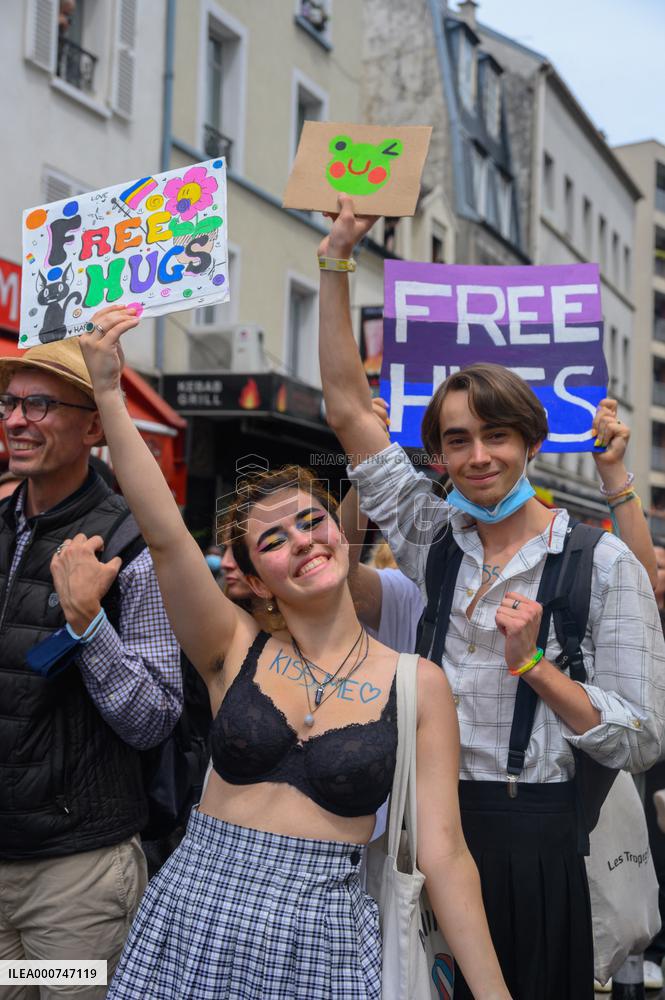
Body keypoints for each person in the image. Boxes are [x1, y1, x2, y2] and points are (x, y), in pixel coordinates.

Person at [79, 304, 511, 1000]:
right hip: (193, 920)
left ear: (340, 536)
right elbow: (162, 533)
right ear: (251, 578)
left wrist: (493, 997)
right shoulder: (230, 649)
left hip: (326, 941)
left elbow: (446, 857)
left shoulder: (416, 684)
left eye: (312, 521)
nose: (304, 539)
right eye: (274, 540)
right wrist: (106, 391)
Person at [317, 196, 665, 1000]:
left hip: (539, 836)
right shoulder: (430, 533)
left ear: (531, 442)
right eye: (456, 441)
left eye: (496, 436)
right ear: (435, 455)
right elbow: (343, 409)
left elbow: (641, 739)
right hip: (427, 822)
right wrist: (335, 260)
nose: (478, 457)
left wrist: (535, 666)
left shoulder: (601, 560)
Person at [0, 337, 182, 999]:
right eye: (11, 403)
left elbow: (154, 717)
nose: (17, 420)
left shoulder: (132, 543)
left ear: (93, 426)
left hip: (73, 880)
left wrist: (88, 624)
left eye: (40, 404)